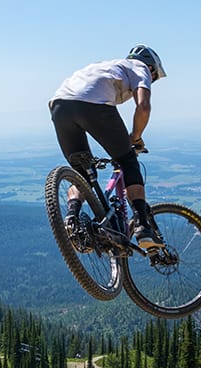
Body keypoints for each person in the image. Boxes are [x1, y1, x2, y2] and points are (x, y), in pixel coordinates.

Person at [48, 45, 167, 250]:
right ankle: (142, 226)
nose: (152, 80)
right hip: (92, 105)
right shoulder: (141, 68)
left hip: (59, 106)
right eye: (154, 77)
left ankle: (72, 218)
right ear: (151, 67)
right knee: (128, 160)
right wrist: (135, 136)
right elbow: (143, 107)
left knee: (83, 173)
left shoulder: (106, 66)